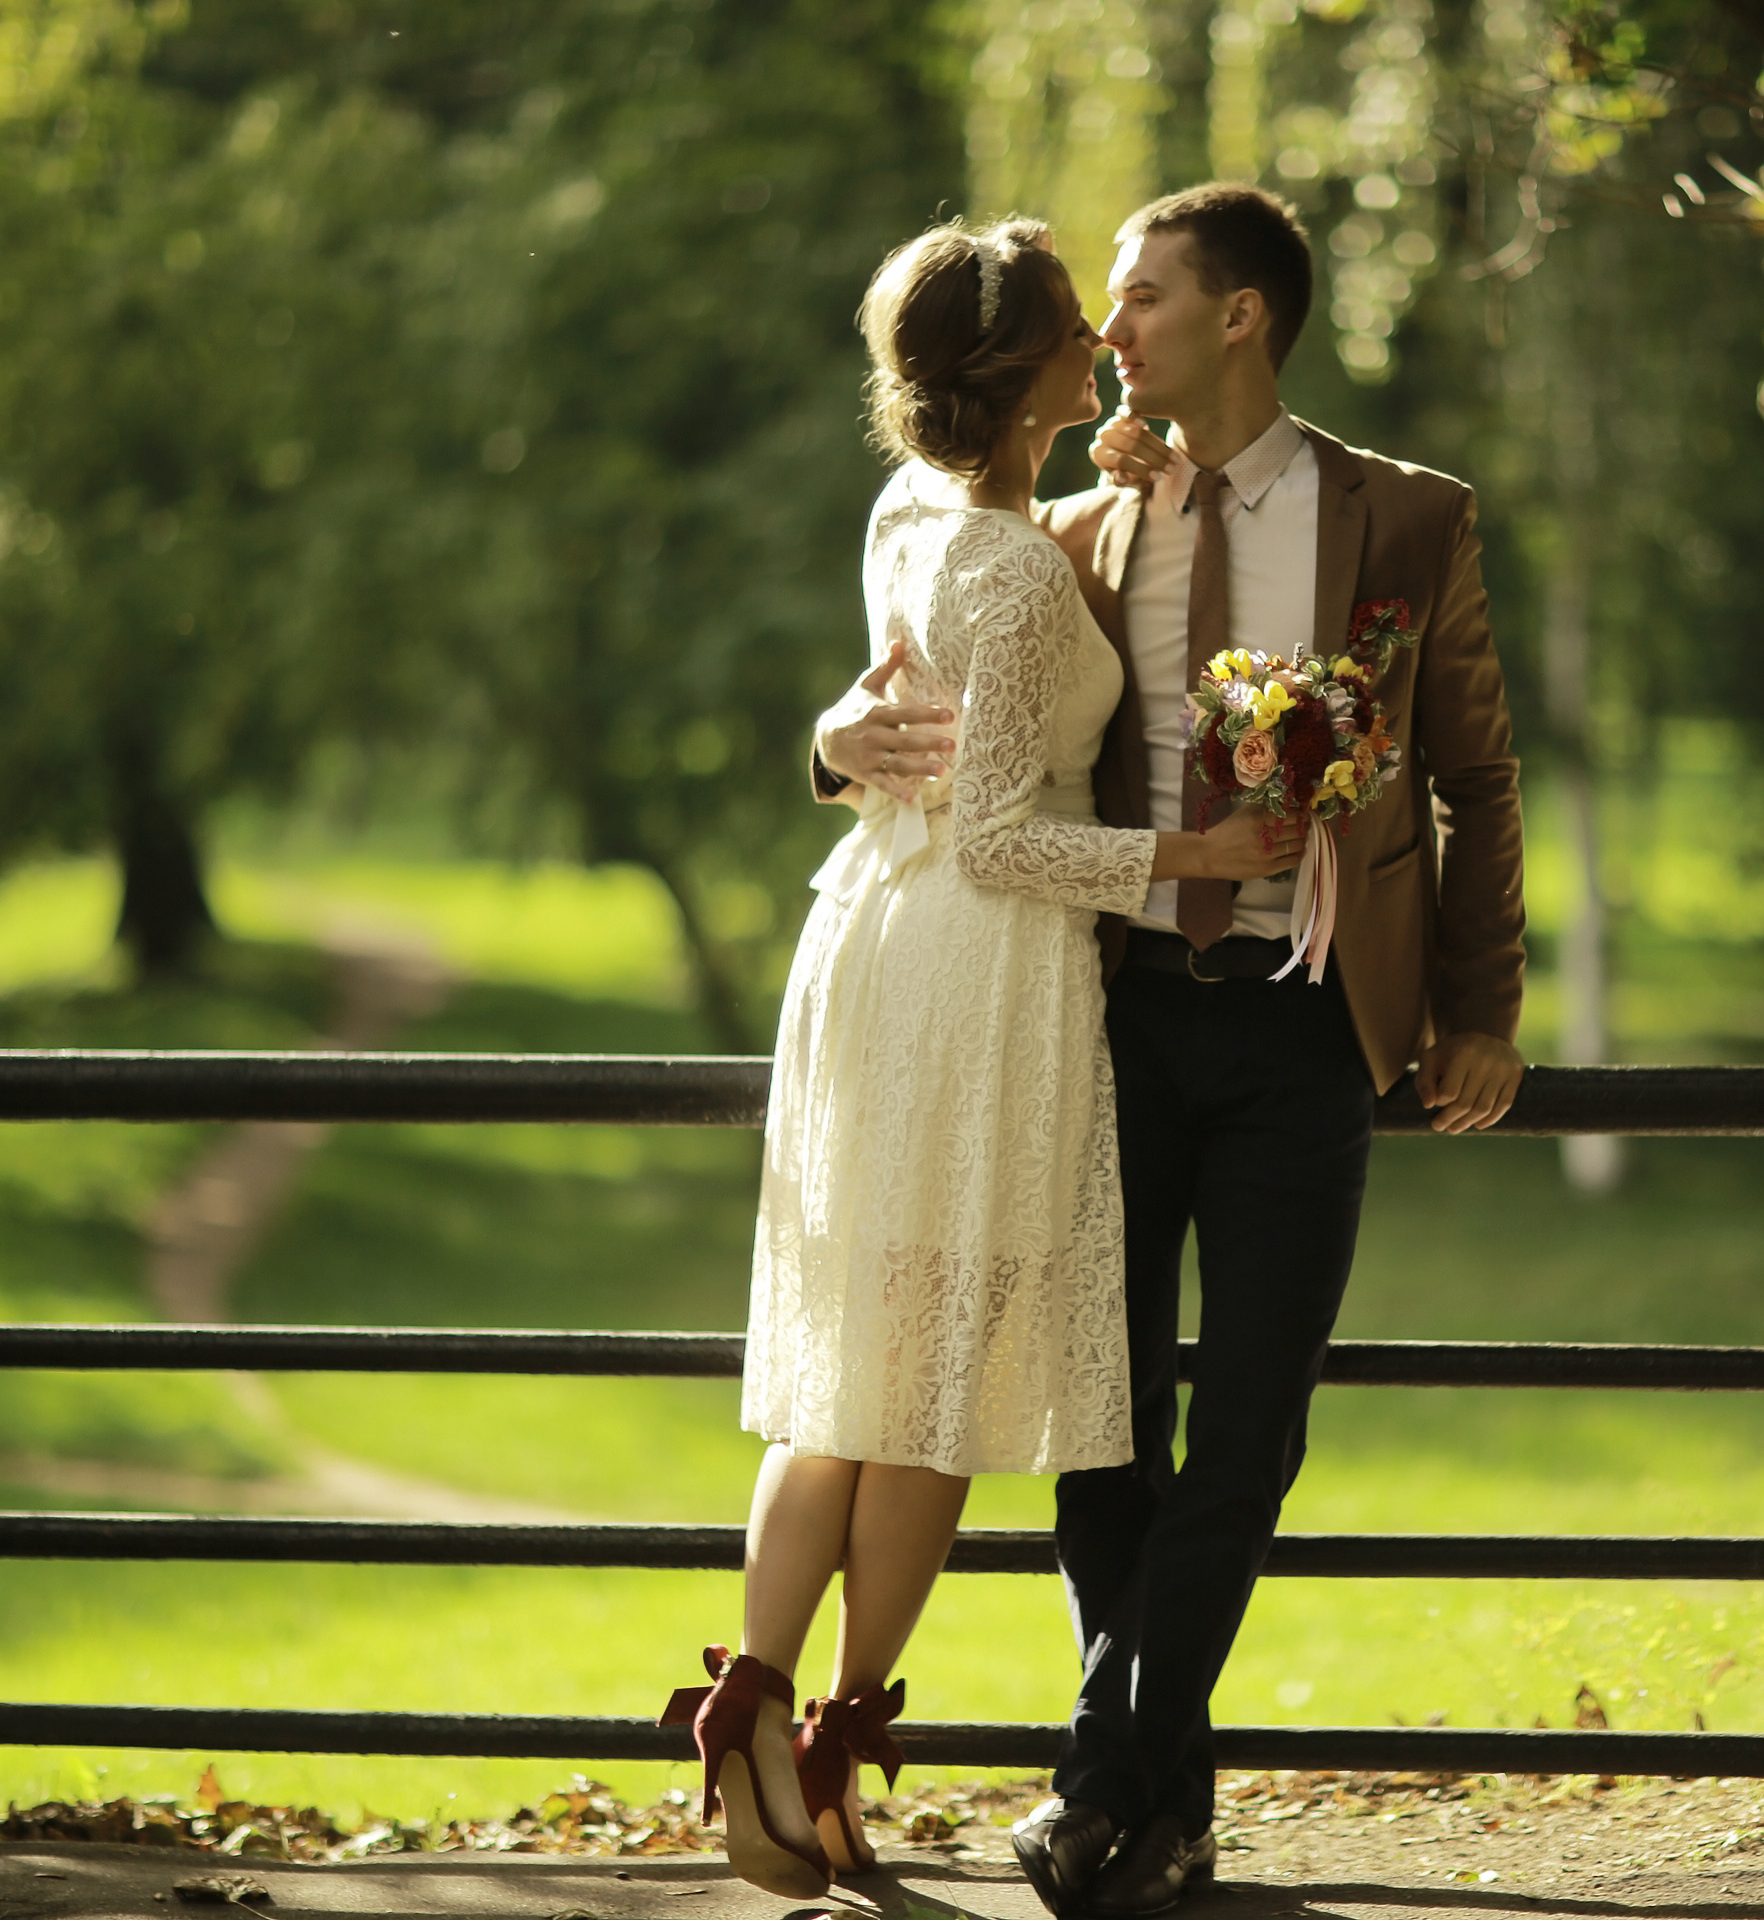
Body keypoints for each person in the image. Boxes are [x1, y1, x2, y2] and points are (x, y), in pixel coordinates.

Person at [815, 182, 1527, 1917]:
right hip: (1109, 1020)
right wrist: (832, 740)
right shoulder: (1079, 530)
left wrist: (1482, 1007)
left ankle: (1101, 1774)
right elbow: (936, 687)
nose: (1108, 330)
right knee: (1104, 1431)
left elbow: (1475, 776)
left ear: (1242, 319)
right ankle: (1158, 1809)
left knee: (1253, 1433)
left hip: (1307, 1029)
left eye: (1138, 299)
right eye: (1101, 307)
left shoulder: (1407, 519)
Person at [669, 216, 1304, 1902]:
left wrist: (1098, 489)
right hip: (976, 966)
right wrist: (1203, 862)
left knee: (850, 1372)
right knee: (934, 1382)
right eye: (1073, 322)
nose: (1105, 329)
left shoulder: (919, 513)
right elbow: (1016, 839)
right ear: (1030, 364)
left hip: (874, 939)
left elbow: (940, 724)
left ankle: (758, 1696)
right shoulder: (1014, 561)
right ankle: (831, 1735)